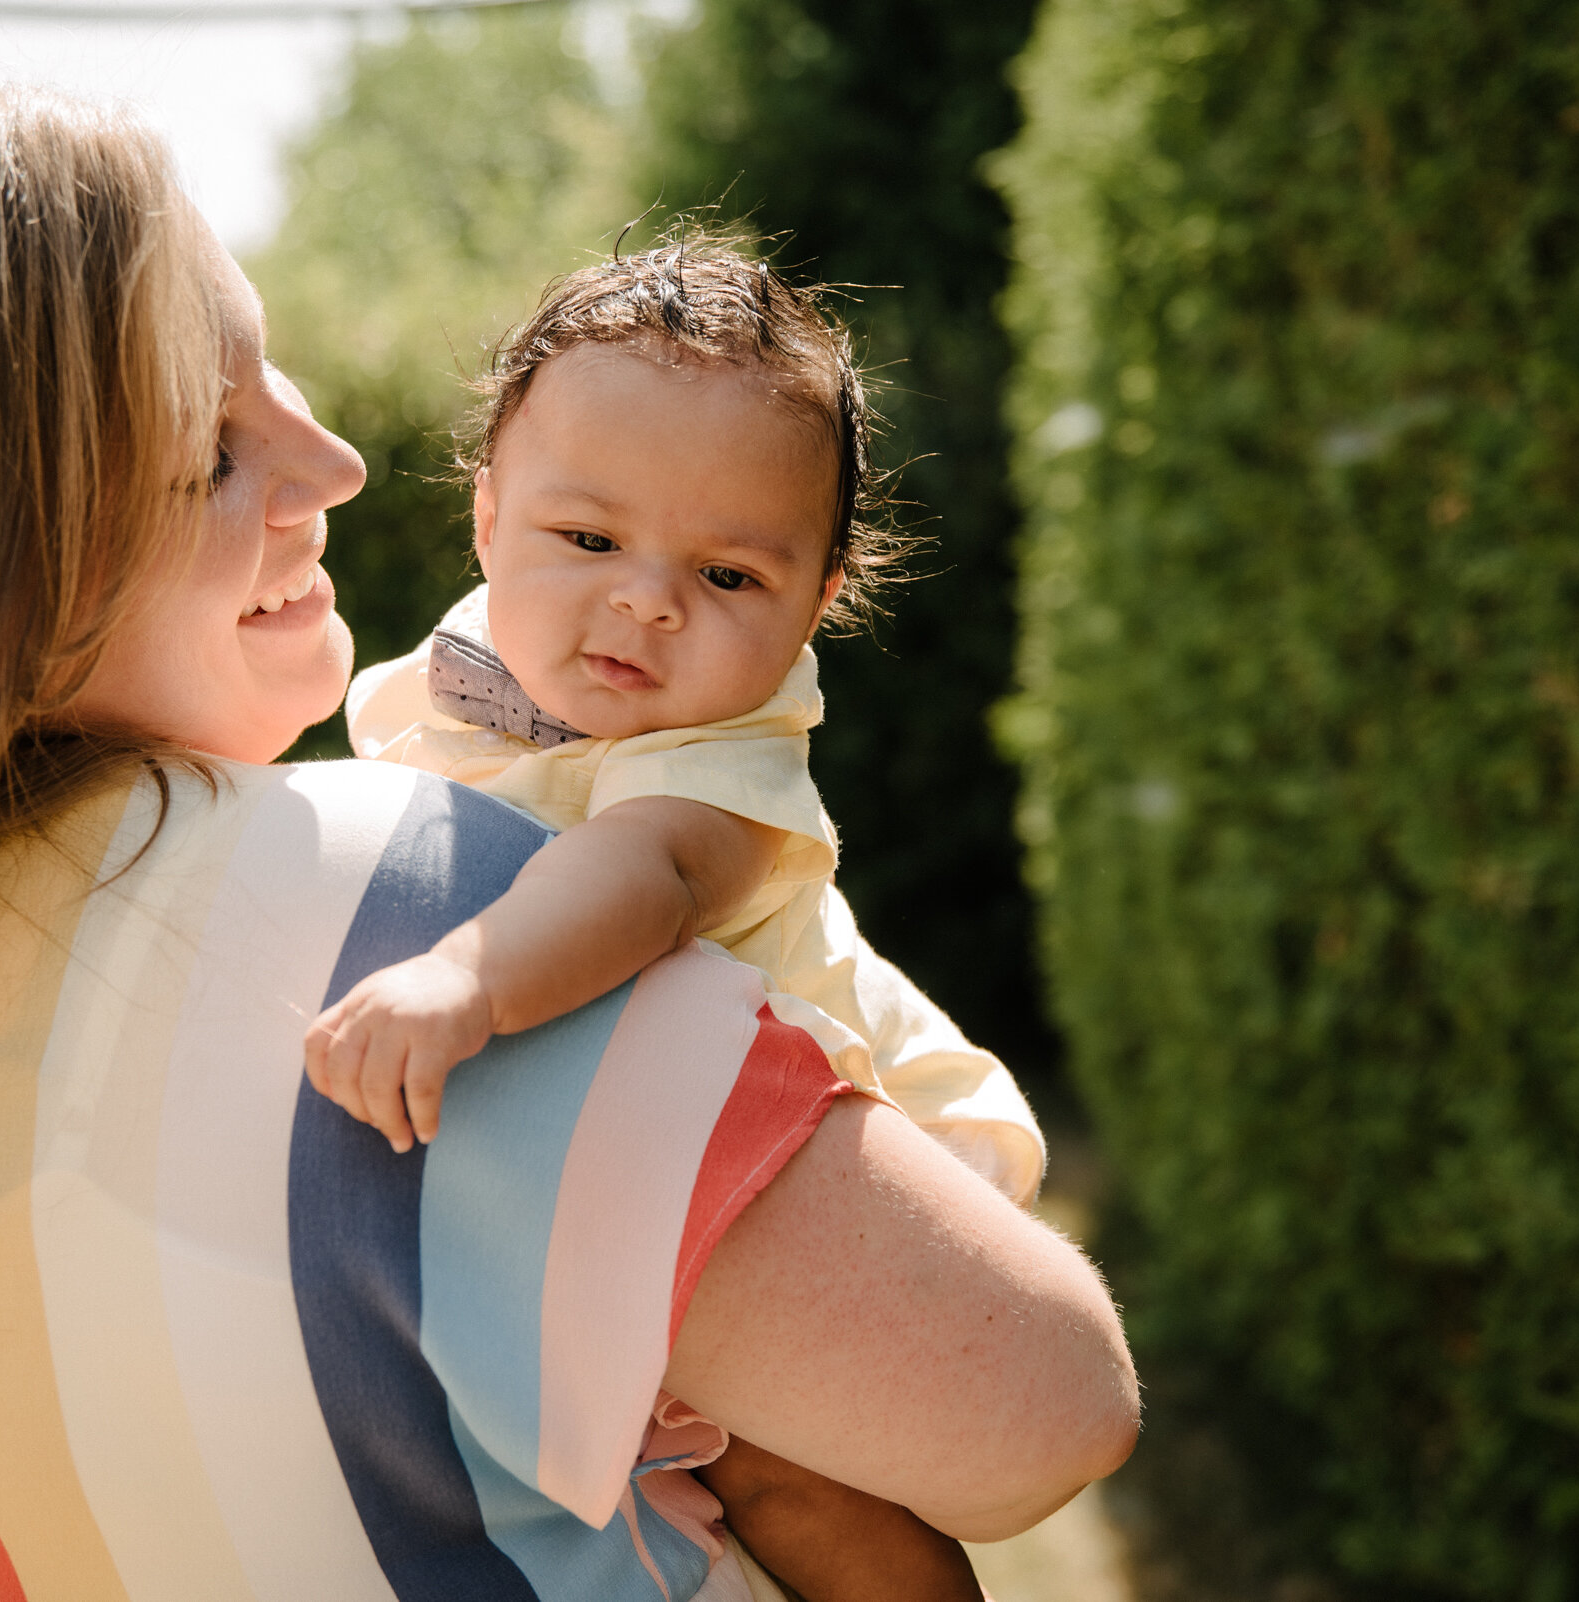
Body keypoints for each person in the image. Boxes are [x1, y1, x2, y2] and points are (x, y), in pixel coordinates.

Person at [0, 69, 1138, 1601]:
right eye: (210, 445)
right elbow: (1045, 1409)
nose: (332, 464)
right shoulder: (399, 918)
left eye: (282, 380)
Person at [306, 241, 1056, 1599]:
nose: (646, 597)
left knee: (789, 1475)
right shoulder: (460, 677)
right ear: (487, 520)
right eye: (587, 539)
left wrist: (469, 976)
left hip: (849, 1159)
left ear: (822, 601)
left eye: (729, 578)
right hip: (637, 1158)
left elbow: (636, 880)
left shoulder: (728, 744)